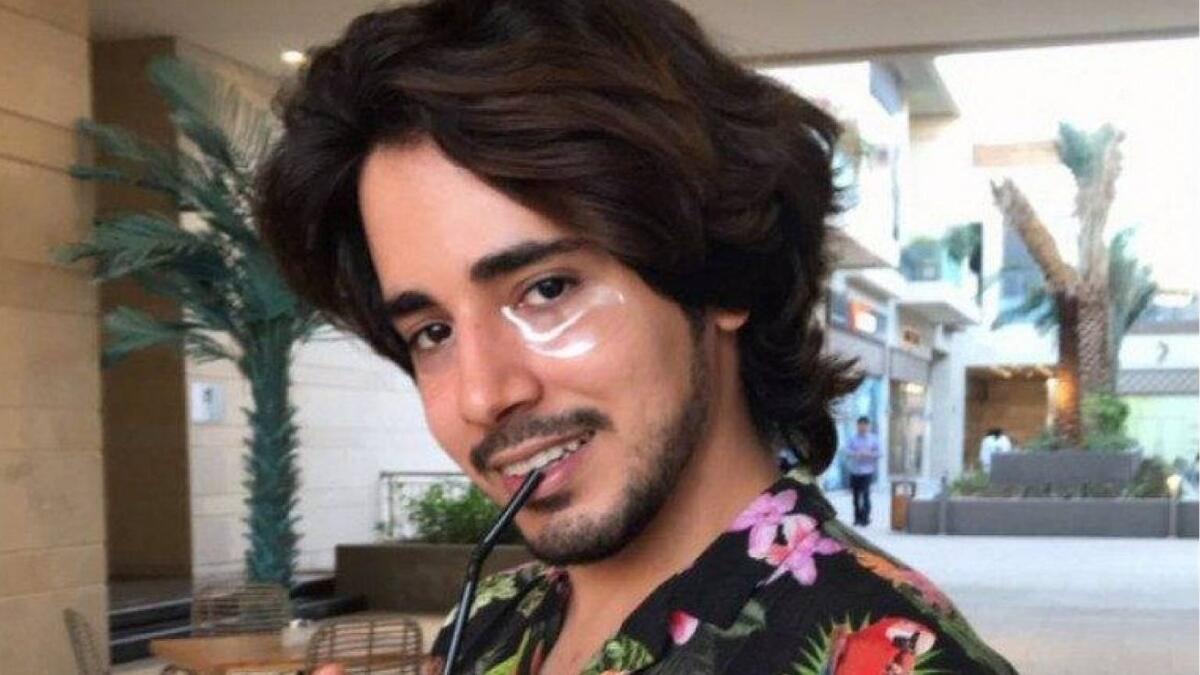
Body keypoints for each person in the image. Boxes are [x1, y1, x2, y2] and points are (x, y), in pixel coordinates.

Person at [256, 1, 1015, 673]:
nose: (483, 395)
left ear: (720, 276)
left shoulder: (889, 656)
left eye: (547, 289)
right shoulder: (494, 617)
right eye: (432, 331)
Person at [845, 416, 882, 527]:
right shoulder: (852, 438)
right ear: (857, 426)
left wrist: (869, 454)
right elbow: (846, 450)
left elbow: (880, 453)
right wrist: (855, 453)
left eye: (865, 425)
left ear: (868, 426)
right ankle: (857, 518)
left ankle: (865, 519)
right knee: (855, 497)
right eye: (860, 425)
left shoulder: (873, 439)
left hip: (867, 471)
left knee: (866, 495)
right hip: (854, 471)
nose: (863, 427)